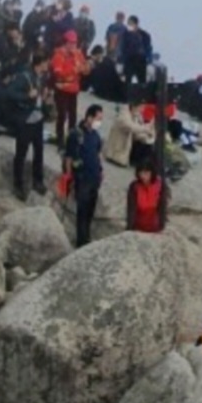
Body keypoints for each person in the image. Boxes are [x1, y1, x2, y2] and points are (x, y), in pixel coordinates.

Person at [7, 53, 49, 200]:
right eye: (46, 62)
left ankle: (38, 180)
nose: (47, 65)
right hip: (25, 120)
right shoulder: (24, 77)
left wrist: (44, 98)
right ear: (40, 63)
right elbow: (10, 92)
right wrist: (27, 96)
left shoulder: (42, 77)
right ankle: (18, 185)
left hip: (38, 118)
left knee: (39, 151)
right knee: (21, 153)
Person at [66, 104, 106, 247]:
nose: (99, 122)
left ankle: (87, 237)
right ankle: (81, 240)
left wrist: (101, 170)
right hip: (82, 178)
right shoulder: (76, 134)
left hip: (94, 178)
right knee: (82, 212)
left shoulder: (95, 135)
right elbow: (69, 157)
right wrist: (68, 176)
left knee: (90, 211)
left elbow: (98, 153)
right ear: (89, 117)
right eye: (98, 118)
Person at [50, 29, 88, 147]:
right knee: (62, 115)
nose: (73, 45)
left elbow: (85, 69)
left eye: (74, 43)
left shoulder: (78, 54)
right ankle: (60, 138)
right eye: (71, 43)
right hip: (62, 89)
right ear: (65, 42)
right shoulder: (58, 55)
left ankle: (71, 138)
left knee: (73, 116)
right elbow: (58, 74)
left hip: (74, 89)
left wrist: (86, 68)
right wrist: (74, 70)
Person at [105, 100, 156, 168]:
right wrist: (146, 129)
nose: (142, 110)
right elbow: (131, 127)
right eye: (141, 108)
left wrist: (147, 136)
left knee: (148, 145)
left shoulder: (136, 115)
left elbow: (137, 133)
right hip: (117, 148)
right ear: (134, 106)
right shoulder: (123, 115)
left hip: (128, 145)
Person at [125, 161, 169, 233]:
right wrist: (129, 227)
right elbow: (131, 209)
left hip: (154, 225)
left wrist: (162, 225)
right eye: (141, 173)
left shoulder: (160, 185)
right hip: (138, 225)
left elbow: (162, 207)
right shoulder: (134, 186)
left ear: (152, 173)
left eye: (146, 173)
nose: (143, 176)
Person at [119, 15, 153, 87]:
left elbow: (148, 48)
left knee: (142, 81)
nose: (129, 25)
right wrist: (121, 59)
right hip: (129, 60)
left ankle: (142, 92)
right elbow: (122, 48)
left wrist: (149, 59)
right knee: (127, 80)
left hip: (140, 60)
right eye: (128, 23)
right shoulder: (125, 35)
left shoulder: (144, 35)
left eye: (131, 23)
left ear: (136, 24)